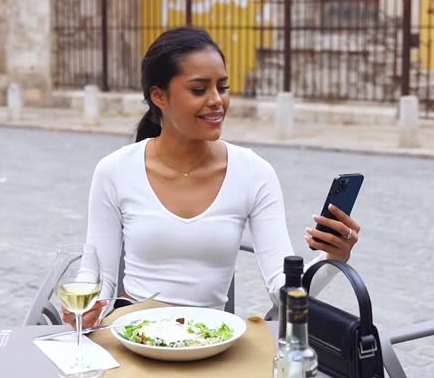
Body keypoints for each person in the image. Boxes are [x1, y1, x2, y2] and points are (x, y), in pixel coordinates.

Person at [65, 26, 361, 329]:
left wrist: (331, 256)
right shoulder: (114, 171)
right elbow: (97, 278)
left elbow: (284, 293)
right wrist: (85, 309)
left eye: (223, 86)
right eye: (199, 90)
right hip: (135, 337)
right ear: (159, 96)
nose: (217, 100)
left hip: (211, 344)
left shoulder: (253, 173)